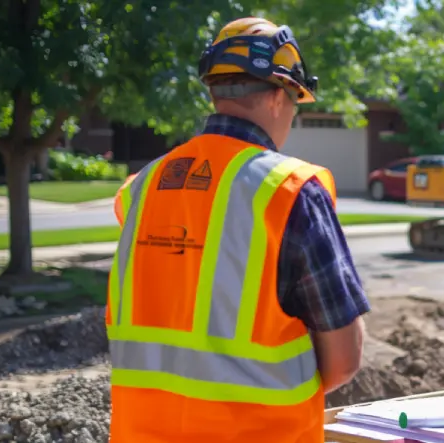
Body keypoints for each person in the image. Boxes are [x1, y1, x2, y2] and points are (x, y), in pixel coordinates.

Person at [106, 17, 369, 442]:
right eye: (296, 102)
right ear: (278, 99)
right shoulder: (290, 191)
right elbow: (343, 359)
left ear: (214, 91)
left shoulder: (142, 187)